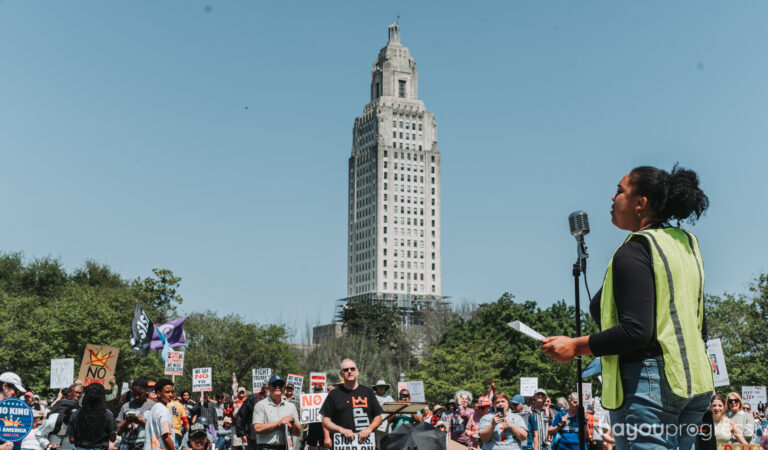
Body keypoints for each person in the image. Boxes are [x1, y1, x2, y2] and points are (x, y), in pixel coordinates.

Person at [543, 165, 714, 450]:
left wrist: (575, 346)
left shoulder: (634, 249)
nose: (612, 198)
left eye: (620, 191)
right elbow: (698, 324)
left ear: (640, 203)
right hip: (695, 383)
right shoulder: (686, 244)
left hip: (651, 388)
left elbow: (636, 331)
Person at [319, 359, 382, 447]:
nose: (349, 371)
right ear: (341, 374)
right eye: (346, 369)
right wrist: (341, 430)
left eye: (352, 369)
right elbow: (325, 421)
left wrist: (369, 429)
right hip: (342, 444)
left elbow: (378, 417)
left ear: (357, 371)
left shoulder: (368, 392)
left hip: (365, 443)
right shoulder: (333, 394)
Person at [251, 375, 300, 449]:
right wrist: (278, 423)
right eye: (274, 384)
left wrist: (292, 421)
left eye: (280, 385)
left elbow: (298, 432)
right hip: (266, 447)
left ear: (283, 388)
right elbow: (257, 428)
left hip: (285, 447)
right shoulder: (260, 405)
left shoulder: (291, 406)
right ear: (269, 388)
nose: (277, 387)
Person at [67, 383, 117, 450]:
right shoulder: (108, 415)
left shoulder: (75, 414)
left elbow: (72, 440)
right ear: (103, 397)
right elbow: (113, 438)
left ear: (85, 396)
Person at [37, 382, 83, 450]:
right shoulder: (53, 420)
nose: (78, 395)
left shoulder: (82, 414)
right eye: (76, 392)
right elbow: (39, 434)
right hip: (53, 445)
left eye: (80, 393)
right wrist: (47, 444)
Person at [117, 377, 156, 450]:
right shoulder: (126, 406)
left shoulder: (153, 406)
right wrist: (127, 422)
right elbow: (118, 431)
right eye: (134, 394)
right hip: (126, 446)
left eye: (139, 394)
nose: (137, 397)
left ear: (146, 391)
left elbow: (156, 430)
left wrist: (141, 422)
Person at [145, 379, 176, 450]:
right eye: (167, 392)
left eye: (172, 392)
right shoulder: (163, 410)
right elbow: (166, 437)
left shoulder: (154, 408)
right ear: (158, 393)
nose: (171, 395)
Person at [305, 384, 330, 450]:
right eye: (316, 390)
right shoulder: (309, 399)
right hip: (313, 426)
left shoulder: (326, 398)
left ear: (322, 391)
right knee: (311, 446)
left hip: (323, 426)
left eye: (319, 390)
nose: (317, 391)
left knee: (323, 446)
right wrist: (302, 410)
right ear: (313, 391)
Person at [372, 379, 393, 448]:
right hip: (376, 424)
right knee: (378, 442)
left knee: (387, 441)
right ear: (376, 388)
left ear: (385, 388)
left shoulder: (389, 398)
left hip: (386, 423)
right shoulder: (372, 397)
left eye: (383, 387)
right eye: (380, 387)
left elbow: (393, 410)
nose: (381, 388)